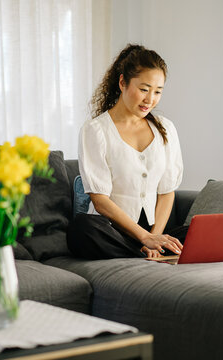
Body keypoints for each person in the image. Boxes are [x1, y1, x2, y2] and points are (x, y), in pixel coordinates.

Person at [67, 44, 189, 260]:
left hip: (154, 231)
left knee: (197, 231)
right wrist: (143, 238)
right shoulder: (95, 130)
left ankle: (154, 252)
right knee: (82, 229)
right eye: (144, 89)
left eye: (158, 91)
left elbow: (166, 191)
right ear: (122, 82)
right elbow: (100, 201)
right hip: (112, 232)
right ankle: (143, 252)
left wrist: (155, 237)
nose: (150, 99)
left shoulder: (166, 129)